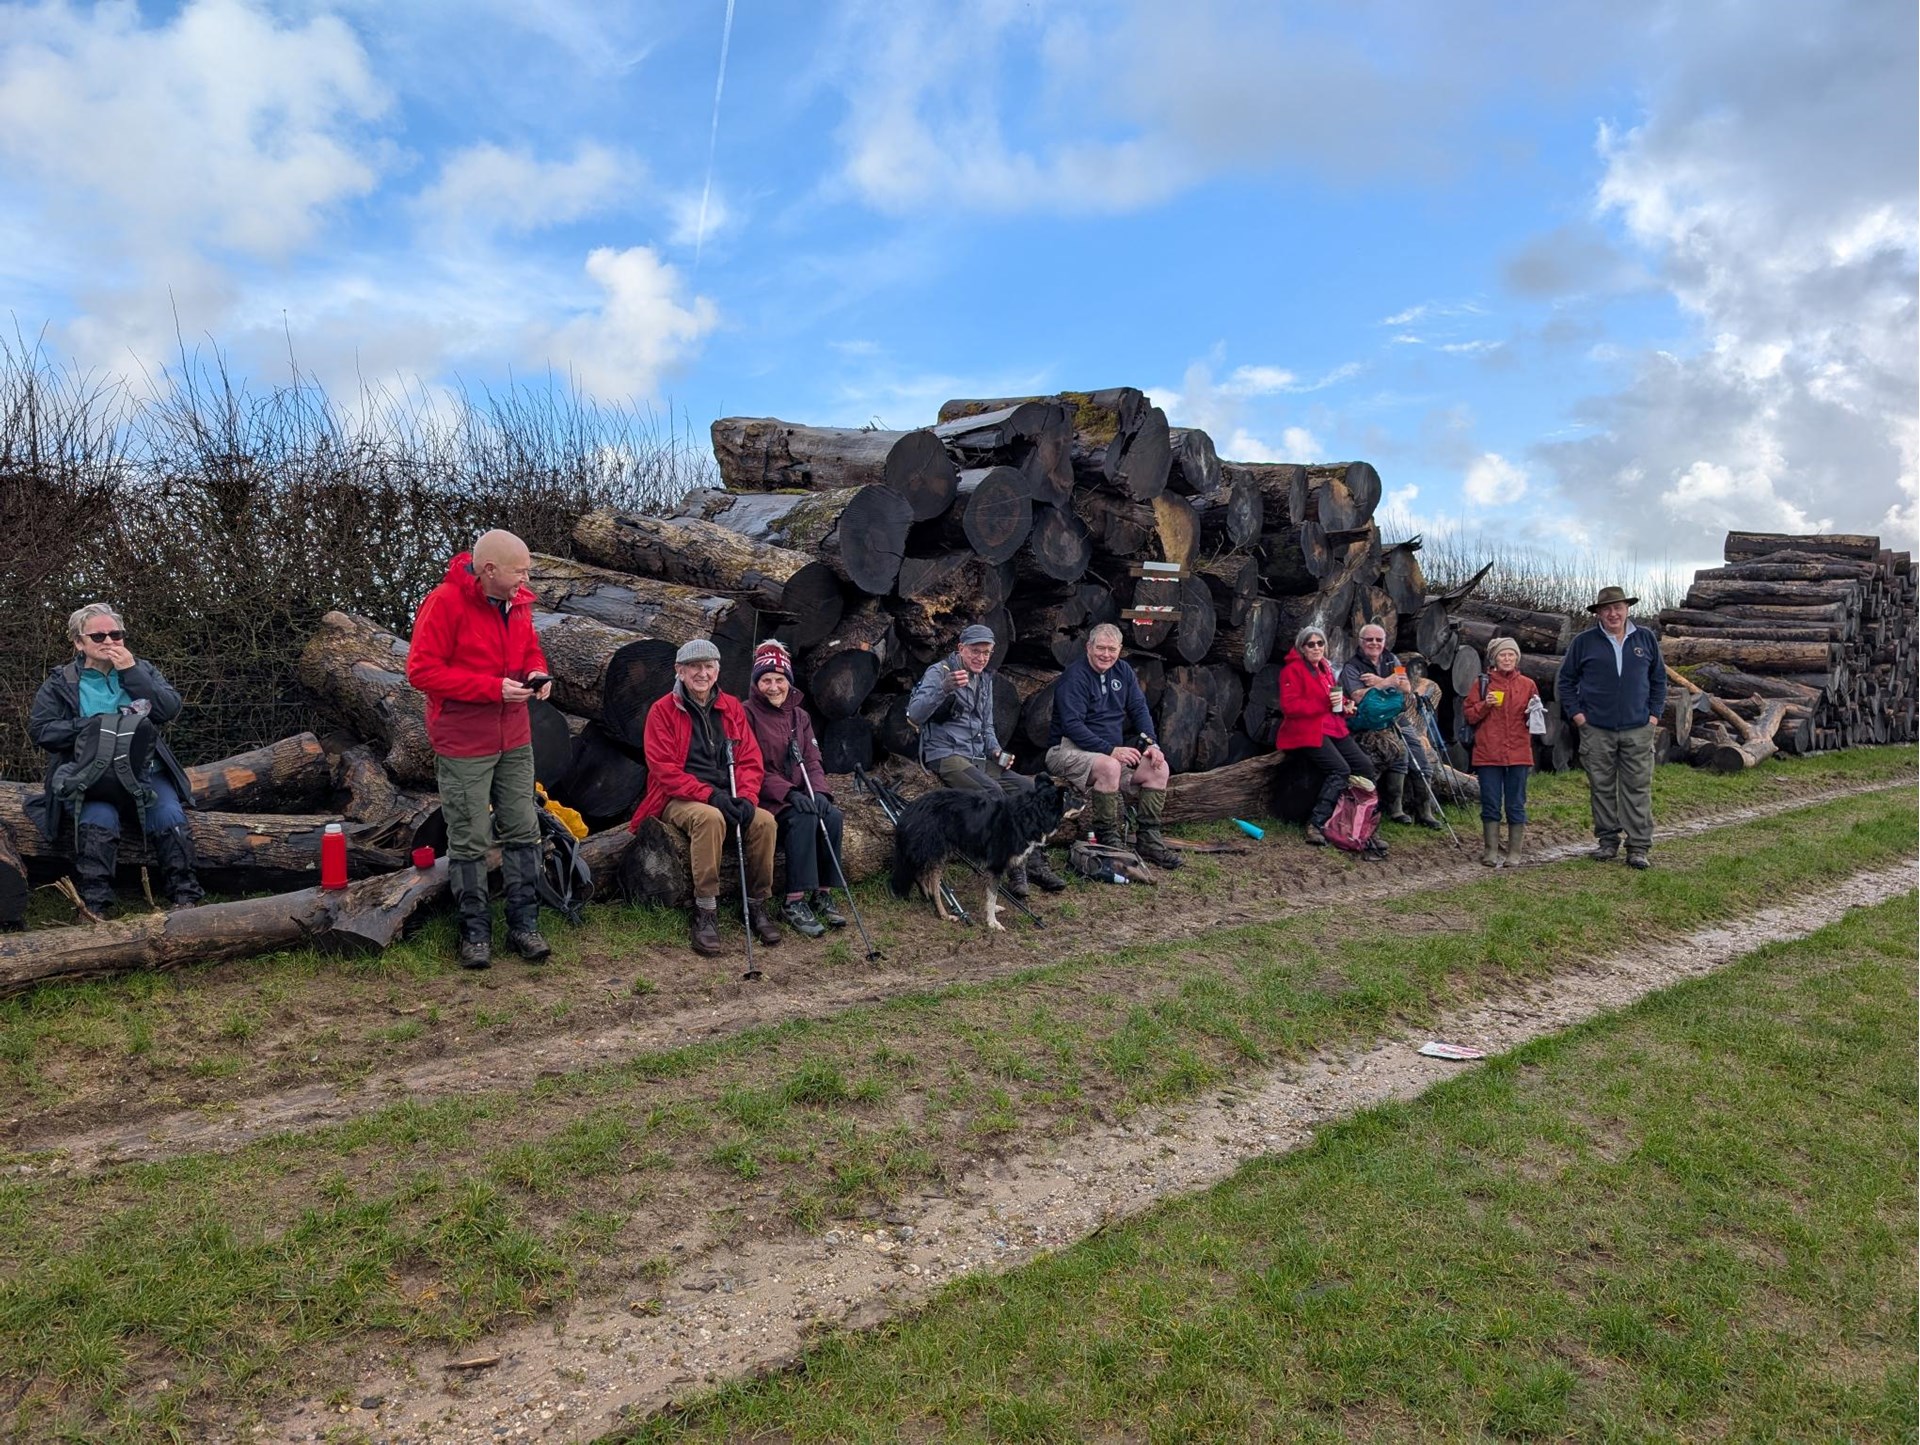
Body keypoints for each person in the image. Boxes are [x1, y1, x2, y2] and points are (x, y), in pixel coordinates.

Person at [407, 529, 556, 969]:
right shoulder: (444, 602)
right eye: (520, 572)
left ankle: (524, 925)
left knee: (523, 828)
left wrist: (537, 674)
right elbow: (421, 670)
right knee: (469, 837)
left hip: (515, 737)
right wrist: (491, 689)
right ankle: (474, 932)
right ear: (489, 569)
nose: (525, 581)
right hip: (463, 742)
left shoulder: (518, 603)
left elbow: (531, 650)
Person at [26, 602, 205, 915]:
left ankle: (186, 899)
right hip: (89, 777)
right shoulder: (61, 682)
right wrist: (92, 726)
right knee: (100, 820)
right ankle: (95, 907)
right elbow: (42, 731)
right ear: (78, 643)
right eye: (98, 637)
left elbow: (168, 709)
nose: (109, 641)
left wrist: (131, 673)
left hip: (146, 772)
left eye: (116, 634)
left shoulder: (142, 670)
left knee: (169, 817)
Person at [629, 638, 783, 956]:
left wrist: (747, 798)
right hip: (679, 797)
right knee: (709, 818)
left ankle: (756, 903)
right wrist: (711, 796)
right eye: (695, 667)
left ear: (718, 670)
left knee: (765, 821)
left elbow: (750, 761)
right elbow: (664, 770)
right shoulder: (662, 711)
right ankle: (705, 909)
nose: (703, 673)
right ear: (680, 671)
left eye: (709, 666)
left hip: (727, 793)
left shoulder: (731, 708)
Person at [906, 622, 1067, 893]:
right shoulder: (940, 673)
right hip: (945, 754)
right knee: (991, 792)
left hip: (978, 756)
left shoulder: (985, 679)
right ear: (961, 648)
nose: (981, 657)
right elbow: (914, 715)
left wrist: (996, 751)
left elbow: (987, 726)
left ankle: (1037, 865)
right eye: (975, 651)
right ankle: (1016, 872)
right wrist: (943, 689)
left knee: (1030, 789)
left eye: (987, 652)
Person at [1045, 623, 1181, 869]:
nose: (1106, 654)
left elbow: (1139, 709)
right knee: (1110, 766)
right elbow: (1072, 726)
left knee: (1158, 768)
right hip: (1067, 750)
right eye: (1100, 648)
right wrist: (1111, 750)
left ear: (1120, 649)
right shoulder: (1075, 676)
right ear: (1089, 647)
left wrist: (1152, 744)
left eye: (1112, 649)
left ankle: (1149, 840)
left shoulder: (1124, 672)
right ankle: (1109, 841)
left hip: (1109, 754)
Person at [742, 640, 849, 939]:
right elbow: (751, 767)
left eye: (779, 680)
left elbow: (812, 759)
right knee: (802, 821)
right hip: (769, 796)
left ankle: (823, 892)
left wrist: (820, 793)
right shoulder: (746, 714)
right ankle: (795, 900)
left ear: (789, 682)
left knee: (831, 817)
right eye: (766, 680)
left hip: (802, 791)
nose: (774, 687)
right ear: (756, 683)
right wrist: (788, 793)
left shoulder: (799, 716)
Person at [1558, 586, 1667, 869]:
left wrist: (1653, 716)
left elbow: (1659, 681)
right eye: (1606, 609)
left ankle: (1638, 847)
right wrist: (1579, 717)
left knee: (1637, 787)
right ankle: (1607, 842)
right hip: (1597, 729)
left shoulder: (1645, 639)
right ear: (1598, 613)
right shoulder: (1584, 642)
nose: (1613, 613)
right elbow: (1566, 682)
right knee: (1602, 787)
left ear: (1627, 608)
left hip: (1637, 728)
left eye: (1618, 607)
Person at [1274, 625, 1377, 845]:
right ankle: (1317, 823)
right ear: (1302, 647)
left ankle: (1357, 824)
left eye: (1320, 643)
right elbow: (1290, 707)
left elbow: (1332, 701)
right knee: (1340, 769)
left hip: (1332, 725)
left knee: (1366, 767)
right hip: (1305, 729)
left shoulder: (1325, 668)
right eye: (1311, 644)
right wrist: (1325, 704)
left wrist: (1345, 706)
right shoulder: (1292, 670)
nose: (1316, 647)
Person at [1338, 623, 1444, 829]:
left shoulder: (1391, 659)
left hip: (1396, 714)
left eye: (1379, 639)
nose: (1374, 643)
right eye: (1369, 639)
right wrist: (1387, 683)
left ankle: (1425, 811)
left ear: (1384, 642)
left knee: (1420, 755)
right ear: (1361, 642)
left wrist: (1378, 682)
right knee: (1399, 754)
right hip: (1371, 719)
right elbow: (1357, 696)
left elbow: (1405, 686)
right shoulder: (1352, 666)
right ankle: (1396, 808)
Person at [1462, 636, 1539, 867]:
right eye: (1502, 655)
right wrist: (1486, 704)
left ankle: (1514, 852)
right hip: (1488, 753)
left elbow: (1534, 721)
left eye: (1511, 655)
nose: (1507, 658)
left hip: (1518, 753)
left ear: (1517, 658)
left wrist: (1533, 712)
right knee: (1490, 802)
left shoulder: (1528, 684)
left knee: (1516, 803)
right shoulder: (1482, 684)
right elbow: (1470, 715)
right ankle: (1490, 850)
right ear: (1494, 659)